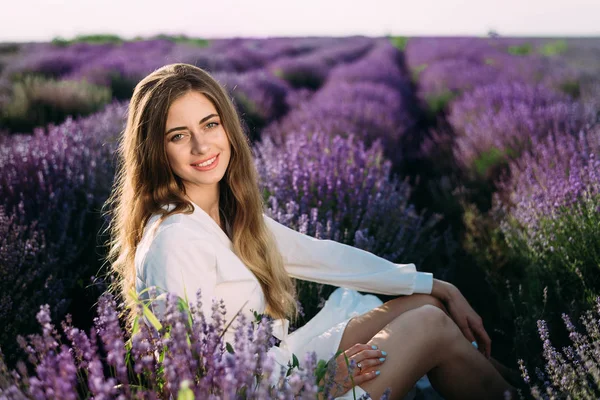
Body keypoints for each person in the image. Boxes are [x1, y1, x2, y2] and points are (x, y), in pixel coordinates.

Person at [104, 63, 518, 399]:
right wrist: (318, 384)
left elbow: (321, 256)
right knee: (428, 325)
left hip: (284, 366)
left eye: (210, 124)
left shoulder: (225, 213)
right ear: (156, 150)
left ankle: (516, 386)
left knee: (423, 303)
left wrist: (436, 284)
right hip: (277, 391)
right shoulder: (173, 240)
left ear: (228, 127)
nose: (202, 146)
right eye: (179, 136)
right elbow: (195, 380)